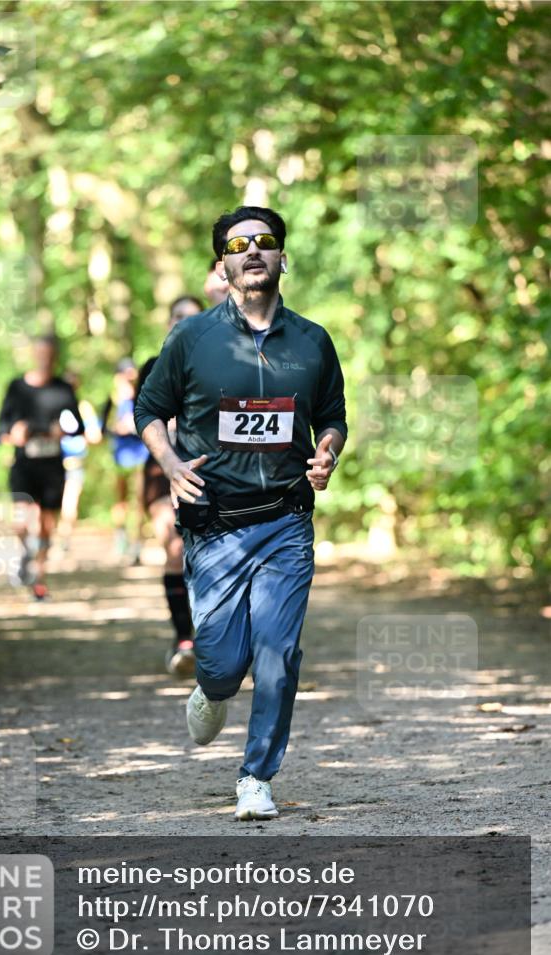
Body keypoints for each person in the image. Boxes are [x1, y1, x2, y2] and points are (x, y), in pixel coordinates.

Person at [134, 206, 347, 821]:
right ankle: (212, 685)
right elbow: (148, 410)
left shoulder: (312, 340)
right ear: (222, 263)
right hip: (216, 522)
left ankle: (256, 776)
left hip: (285, 519)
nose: (252, 251)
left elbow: (332, 417)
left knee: (279, 650)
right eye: (238, 244)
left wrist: (327, 452)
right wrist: (171, 465)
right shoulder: (192, 338)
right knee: (224, 664)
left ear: (283, 257)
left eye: (265, 242)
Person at [137, 296, 203, 676]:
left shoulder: (220, 362)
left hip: (208, 470)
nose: (183, 324)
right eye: (177, 317)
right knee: (175, 547)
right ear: (168, 322)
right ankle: (184, 640)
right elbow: (143, 418)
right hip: (161, 470)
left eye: (191, 318)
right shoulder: (153, 366)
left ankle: (215, 636)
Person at [0, 333, 84, 600]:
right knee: (21, 521)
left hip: (52, 468)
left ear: (55, 357)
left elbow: (78, 425)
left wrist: (63, 431)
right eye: (40, 353)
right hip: (23, 464)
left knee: (47, 525)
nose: (44, 359)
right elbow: (1, 428)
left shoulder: (63, 389)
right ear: (34, 355)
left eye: (49, 354)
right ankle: (25, 553)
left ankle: (40, 581)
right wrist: (15, 432)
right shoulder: (17, 387)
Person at [103, 358, 149, 563]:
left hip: (141, 454)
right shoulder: (112, 400)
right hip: (120, 455)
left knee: (139, 500)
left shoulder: (143, 397)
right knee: (120, 499)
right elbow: (103, 428)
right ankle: (120, 537)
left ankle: (137, 543)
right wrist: (117, 428)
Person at [58, 372, 102, 552]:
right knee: (65, 501)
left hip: (73, 462)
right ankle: (58, 538)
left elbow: (95, 435)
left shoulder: (82, 408)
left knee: (69, 500)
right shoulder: (77, 406)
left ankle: (63, 537)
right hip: (55, 462)